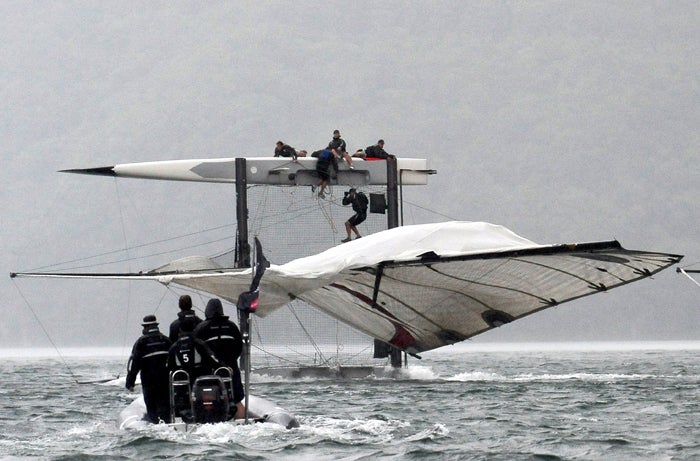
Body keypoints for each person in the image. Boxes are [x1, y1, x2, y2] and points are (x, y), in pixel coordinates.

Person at [194, 298, 245, 418]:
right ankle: (242, 422)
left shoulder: (201, 328)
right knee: (237, 400)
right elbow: (239, 347)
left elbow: (196, 349)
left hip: (209, 371)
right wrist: (231, 360)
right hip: (231, 368)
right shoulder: (231, 326)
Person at [125, 315, 172, 423]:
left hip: (149, 381)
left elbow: (134, 364)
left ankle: (155, 424)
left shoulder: (141, 342)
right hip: (165, 381)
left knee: (151, 408)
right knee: (165, 406)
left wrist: (130, 383)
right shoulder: (166, 340)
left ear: (146, 327)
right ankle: (168, 424)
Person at [167, 316, 222, 385]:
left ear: (180, 330)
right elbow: (211, 359)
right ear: (193, 329)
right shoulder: (199, 343)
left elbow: (169, 365)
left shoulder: (174, 347)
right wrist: (222, 366)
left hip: (182, 383)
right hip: (200, 381)